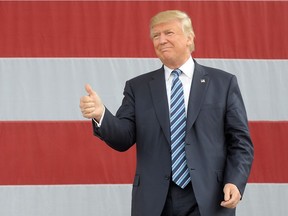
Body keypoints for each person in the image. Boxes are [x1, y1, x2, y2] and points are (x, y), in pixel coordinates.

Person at [80, 10, 254, 216]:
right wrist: (101, 115)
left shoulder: (223, 83)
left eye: (168, 33)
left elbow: (240, 142)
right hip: (155, 200)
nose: (161, 40)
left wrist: (234, 180)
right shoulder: (138, 87)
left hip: (209, 198)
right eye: (156, 35)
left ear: (189, 38)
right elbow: (122, 138)